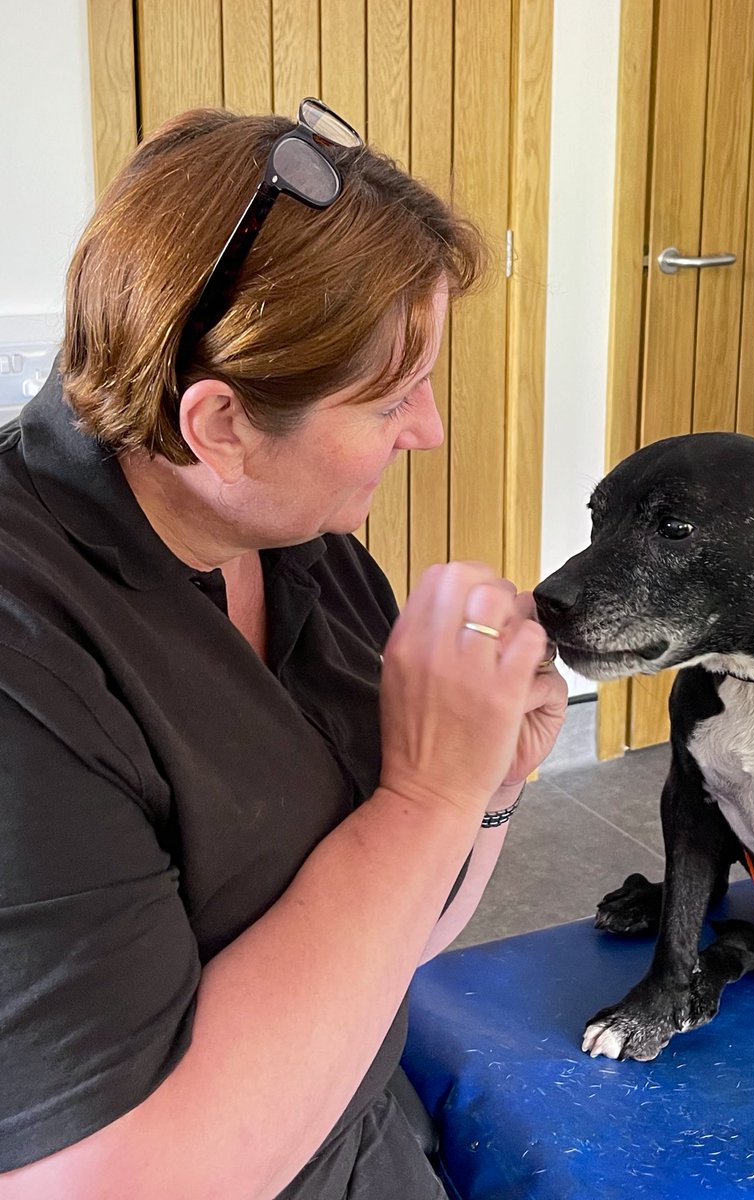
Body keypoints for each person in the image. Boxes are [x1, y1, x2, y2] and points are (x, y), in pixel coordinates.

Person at [0, 100, 567, 1198]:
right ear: (216, 425)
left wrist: (487, 786)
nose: (429, 431)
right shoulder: (29, 670)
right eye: (395, 398)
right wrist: (425, 799)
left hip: (365, 1138)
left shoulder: (301, 544)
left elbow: (391, 939)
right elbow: (118, 1183)